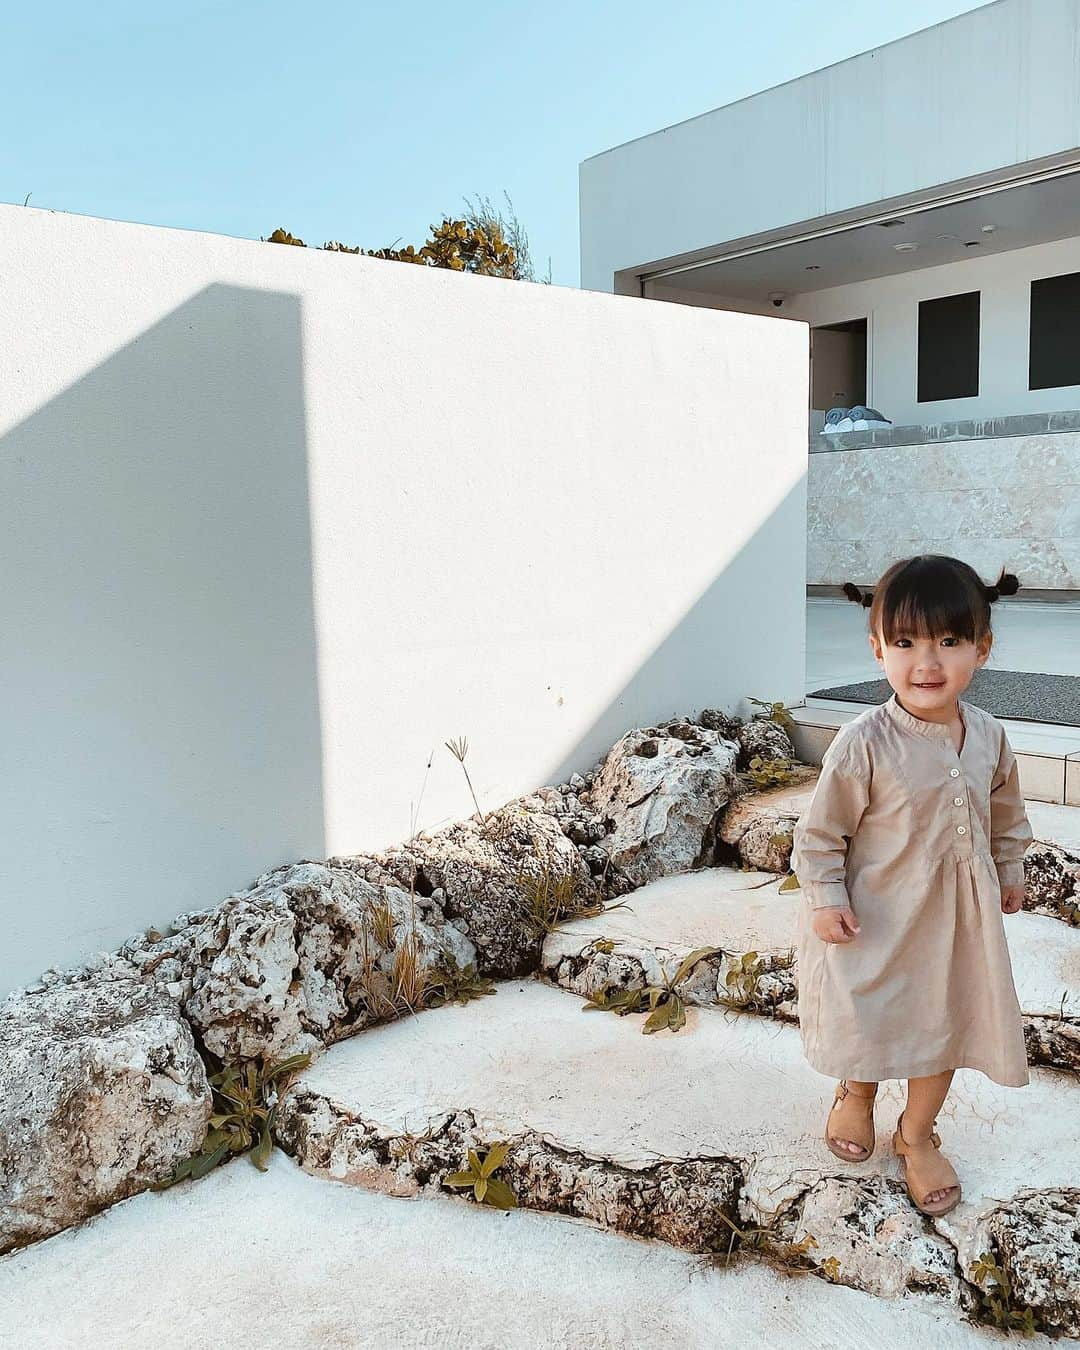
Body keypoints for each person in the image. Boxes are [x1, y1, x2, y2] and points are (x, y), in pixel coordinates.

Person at [790, 555, 1033, 1218]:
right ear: (877, 650)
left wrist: (1009, 865)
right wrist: (826, 899)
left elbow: (1005, 808)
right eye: (905, 643)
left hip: (957, 925)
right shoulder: (861, 743)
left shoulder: (987, 735)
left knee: (946, 1025)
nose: (927, 662)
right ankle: (858, 1094)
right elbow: (820, 835)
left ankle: (917, 1135)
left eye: (948, 642)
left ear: (981, 648)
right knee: (872, 1019)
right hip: (875, 921)